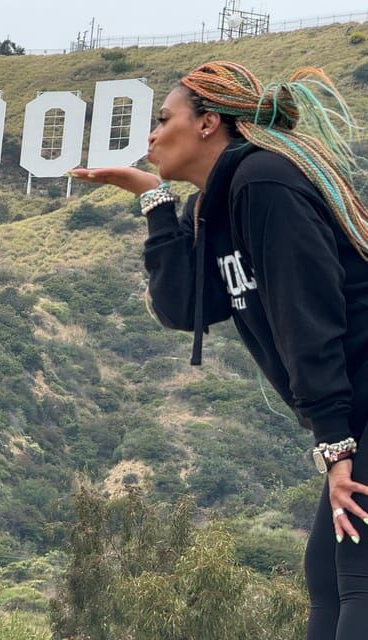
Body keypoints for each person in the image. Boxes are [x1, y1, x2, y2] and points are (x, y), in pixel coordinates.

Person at [70, 60, 368, 639]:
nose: (151, 136)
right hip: (354, 411)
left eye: (163, 119)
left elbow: (307, 318)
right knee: (328, 577)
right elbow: (184, 308)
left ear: (207, 123)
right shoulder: (211, 207)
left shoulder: (264, 182)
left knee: (357, 573)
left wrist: (335, 448)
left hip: (355, 411)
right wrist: (154, 199)